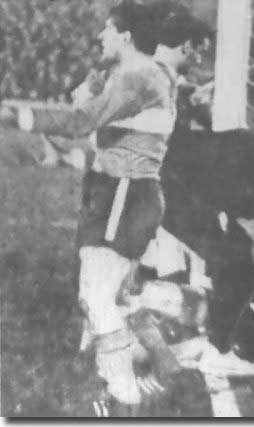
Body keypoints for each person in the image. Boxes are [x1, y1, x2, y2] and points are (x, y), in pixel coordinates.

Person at [0, 0, 211, 414]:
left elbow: (80, 122)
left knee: (98, 297)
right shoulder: (136, 76)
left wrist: (13, 114)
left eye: (107, 31)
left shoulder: (137, 75)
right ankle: (160, 366)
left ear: (126, 37)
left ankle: (125, 394)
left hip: (124, 193)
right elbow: (92, 134)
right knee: (100, 295)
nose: (99, 37)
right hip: (117, 190)